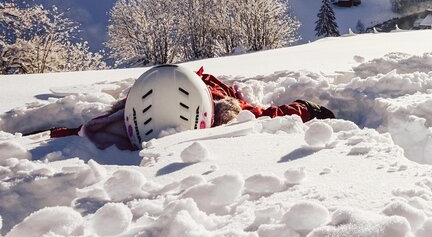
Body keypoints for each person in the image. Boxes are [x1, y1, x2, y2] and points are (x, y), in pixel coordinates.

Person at [49, 64, 334, 150]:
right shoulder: (116, 120)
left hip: (200, 87)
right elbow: (265, 115)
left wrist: (306, 108)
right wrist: (306, 108)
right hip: (189, 86)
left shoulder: (114, 122)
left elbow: (264, 115)